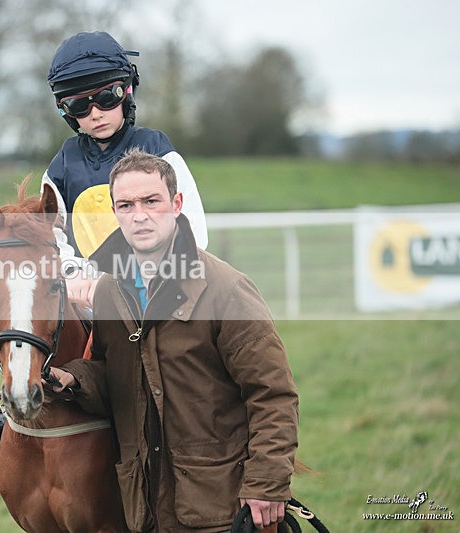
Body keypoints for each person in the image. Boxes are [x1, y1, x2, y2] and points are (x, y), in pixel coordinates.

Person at [47, 149, 299, 532]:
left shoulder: (227, 290)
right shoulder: (110, 292)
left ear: (177, 204)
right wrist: (75, 379)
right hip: (145, 511)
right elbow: (116, 377)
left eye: (151, 201)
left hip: (221, 510)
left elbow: (273, 394)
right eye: (126, 205)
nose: (139, 215)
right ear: (114, 213)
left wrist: (266, 484)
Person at [42, 31, 208, 305]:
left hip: (159, 294)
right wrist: (72, 274)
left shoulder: (158, 150)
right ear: (65, 111)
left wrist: (158, 277)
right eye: (79, 105)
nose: (95, 113)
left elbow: (192, 229)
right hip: (87, 300)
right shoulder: (60, 167)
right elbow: (50, 233)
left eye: (107, 97)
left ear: (127, 92)